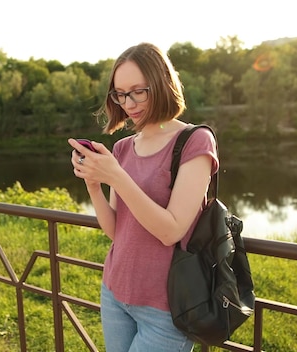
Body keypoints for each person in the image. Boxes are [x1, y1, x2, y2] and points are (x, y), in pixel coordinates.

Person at [67, 42, 219, 352]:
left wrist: (116, 177)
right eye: (120, 94)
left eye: (138, 91)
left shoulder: (195, 141)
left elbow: (171, 230)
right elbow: (115, 231)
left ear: (162, 83)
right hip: (115, 291)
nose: (129, 103)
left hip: (166, 306)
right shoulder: (122, 149)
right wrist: (94, 183)